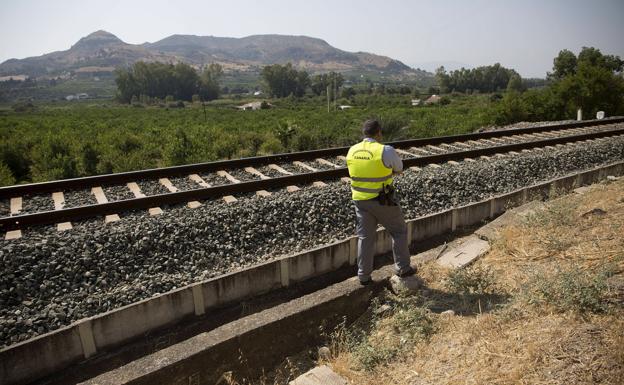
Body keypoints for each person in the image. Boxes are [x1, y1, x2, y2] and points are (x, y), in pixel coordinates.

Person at [346, 119, 415, 285]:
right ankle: (403, 269)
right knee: (398, 231)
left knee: (365, 238)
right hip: (383, 200)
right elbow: (399, 168)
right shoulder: (385, 150)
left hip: (360, 201)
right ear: (378, 133)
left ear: (364, 133)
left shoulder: (352, 150)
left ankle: (363, 276)